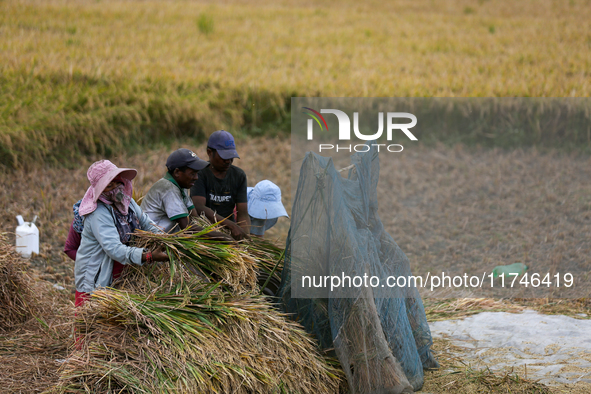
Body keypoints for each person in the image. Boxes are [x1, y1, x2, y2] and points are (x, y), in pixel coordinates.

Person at [74, 160, 168, 307]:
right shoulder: (98, 213)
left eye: (117, 182)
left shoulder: (126, 202)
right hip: (97, 280)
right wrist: (148, 256)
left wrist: (167, 240)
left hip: (121, 271)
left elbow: (146, 223)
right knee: (92, 326)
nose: (115, 188)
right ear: (100, 190)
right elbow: (114, 249)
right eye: (109, 185)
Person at [141, 148, 233, 240]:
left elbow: (195, 217)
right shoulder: (168, 189)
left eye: (197, 173)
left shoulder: (181, 186)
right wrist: (222, 237)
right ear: (177, 172)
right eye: (192, 174)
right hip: (154, 239)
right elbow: (187, 228)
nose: (196, 178)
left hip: (168, 237)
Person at [191, 130, 250, 240]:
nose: (228, 161)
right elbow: (199, 207)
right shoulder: (200, 174)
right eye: (224, 157)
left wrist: (244, 236)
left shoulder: (238, 175)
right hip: (205, 230)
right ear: (209, 152)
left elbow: (243, 213)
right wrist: (231, 225)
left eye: (231, 156)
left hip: (230, 232)